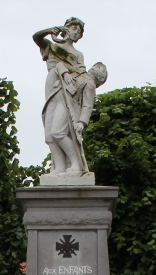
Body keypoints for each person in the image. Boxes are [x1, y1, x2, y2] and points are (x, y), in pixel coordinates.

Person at [33, 18, 107, 177]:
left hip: (67, 95)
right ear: (65, 28)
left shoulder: (78, 56)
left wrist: (82, 121)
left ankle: (76, 164)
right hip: (53, 87)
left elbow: (80, 80)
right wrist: (49, 30)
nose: (75, 33)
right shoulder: (53, 46)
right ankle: (59, 167)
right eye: (73, 28)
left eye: (78, 31)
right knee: (49, 135)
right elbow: (36, 38)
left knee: (58, 131)